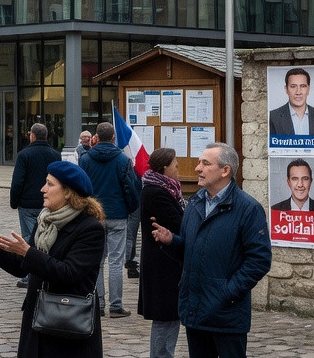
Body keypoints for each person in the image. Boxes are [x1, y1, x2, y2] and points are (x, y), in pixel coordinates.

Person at [0, 160, 105, 357]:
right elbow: (22, 267)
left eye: (49, 184)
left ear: (67, 192)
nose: (42, 189)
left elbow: (70, 273)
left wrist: (28, 252)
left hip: (69, 323)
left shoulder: (90, 228)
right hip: (38, 319)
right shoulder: (45, 221)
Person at [150, 142, 271, 358]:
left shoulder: (248, 209)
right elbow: (189, 251)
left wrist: (228, 292)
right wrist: (171, 242)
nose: (197, 168)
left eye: (205, 164)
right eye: (199, 162)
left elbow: (259, 260)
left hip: (227, 314)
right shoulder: (195, 203)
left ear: (225, 171)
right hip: (195, 310)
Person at [78, 121, 139, 318]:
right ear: (113, 138)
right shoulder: (122, 159)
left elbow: (82, 188)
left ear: (96, 137)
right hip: (117, 215)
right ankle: (115, 305)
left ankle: (98, 303)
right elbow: (130, 188)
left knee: (97, 260)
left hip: (94, 215)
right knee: (115, 261)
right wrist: (129, 208)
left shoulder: (86, 159)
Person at [139, 148, 186, 358]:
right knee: (165, 315)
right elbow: (178, 223)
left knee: (170, 314)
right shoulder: (156, 192)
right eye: (175, 164)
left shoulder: (165, 188)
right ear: (165, 167)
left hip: (167, 260)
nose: (178, 168)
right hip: (162, 262)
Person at [10, 122, 61, 288]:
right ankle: (44, 270)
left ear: (32, 135)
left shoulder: (24, 154)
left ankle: (29, 275)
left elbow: (17, 181)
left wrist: (14, 201)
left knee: (28, 239)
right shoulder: (55, 154)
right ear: (46, 136)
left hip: (27, 204)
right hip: (49, 203)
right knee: (47, 237)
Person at [267, 67, 314, 138]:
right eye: (293, 86)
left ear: (308, 89)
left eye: (303, 86)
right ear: (286, 89)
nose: (298, 92)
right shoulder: (273, 117)